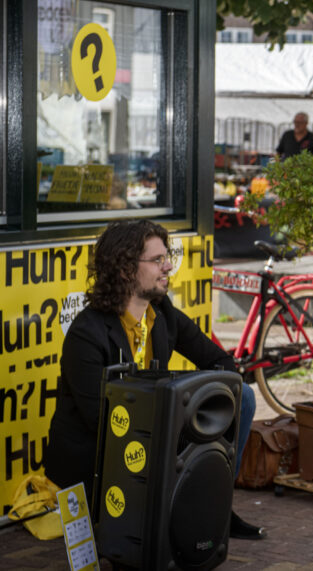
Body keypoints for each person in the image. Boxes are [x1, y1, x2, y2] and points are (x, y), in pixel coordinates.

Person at [43, 219, 266, 538]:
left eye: (167, 257)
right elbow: (102, 422)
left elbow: (220, 361)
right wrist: (177, 423)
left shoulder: (162, 313)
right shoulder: (87, 334)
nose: (169, 267)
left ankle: (214, 505)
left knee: (242, 396)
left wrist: (200, 408)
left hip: (150, 436)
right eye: (157, 260)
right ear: (125, 269)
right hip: (97, 457)